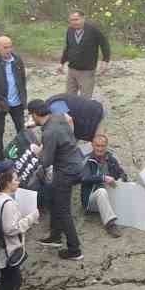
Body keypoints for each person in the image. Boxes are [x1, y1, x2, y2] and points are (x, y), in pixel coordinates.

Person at [29, 100, 86, 260]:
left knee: (63, 210)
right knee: (54, 198)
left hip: (66, 172)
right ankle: (55, 236)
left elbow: (47, 161)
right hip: (76, 162)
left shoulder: (49, 132)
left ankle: (74, 249)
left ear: (34, 114)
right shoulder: (59, 117)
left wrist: (37, 152)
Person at [79, 133, 128, 238]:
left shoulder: (111, 159)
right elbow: (84, 178)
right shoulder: (88, 161)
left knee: (130, 186)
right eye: (97, 145)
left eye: (102, 146)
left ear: (106, 146)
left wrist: (121, 179)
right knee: (101, 191)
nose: (100, 149)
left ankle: (137, 215)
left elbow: (122, 173)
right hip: (92, 199)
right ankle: (110, 224)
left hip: (110, 195)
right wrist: (103, 178)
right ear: (93, 145)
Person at [57, 11, 110, 98]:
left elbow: (105, 44)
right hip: (72, 69)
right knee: (69, 97)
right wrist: (61, 63)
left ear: (83, 19)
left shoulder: (93, 30)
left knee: (85, 99)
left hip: (87, 70)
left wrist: (105, 61)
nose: (74, 22)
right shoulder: (70, 30)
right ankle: (71, 111)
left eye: (76, 19)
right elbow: (68, 47)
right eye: (71, 20)